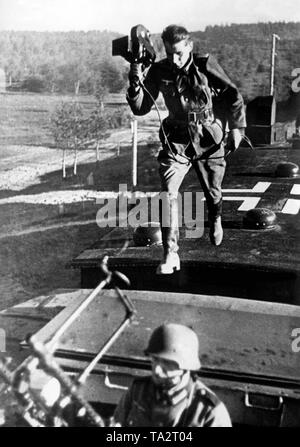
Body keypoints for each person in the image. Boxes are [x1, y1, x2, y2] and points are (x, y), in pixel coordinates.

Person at [126, 25, 246, 274]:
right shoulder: (160, 70)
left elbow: (233, 95)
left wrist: (237, 129)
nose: (174, 59)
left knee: (213, 191)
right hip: (176, 139)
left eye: (179, 53)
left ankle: (215, 218)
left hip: (206, 136)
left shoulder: (205, 66)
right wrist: (135, 80)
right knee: (167, 193)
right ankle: (170, 253)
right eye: (169, 54)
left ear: (189, 47)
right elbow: (141, 107)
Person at [113, 323, 232, 427]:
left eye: (167, 362)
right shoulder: (138, 391)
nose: (157, 370)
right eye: (154, 359)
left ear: (186, 367)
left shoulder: (208, 411)